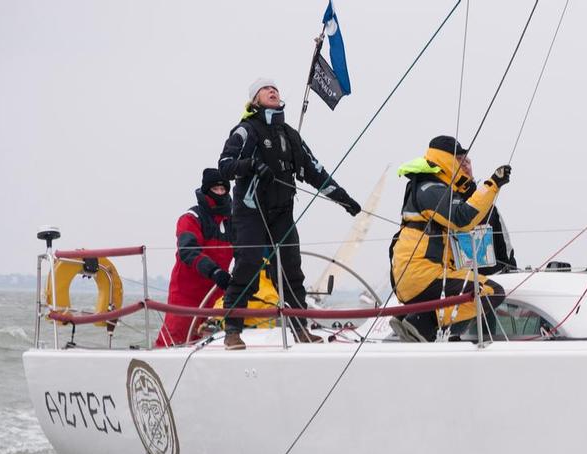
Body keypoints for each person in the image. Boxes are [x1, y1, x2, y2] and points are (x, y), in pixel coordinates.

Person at [218, 78, 361, 350]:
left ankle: (300, 328)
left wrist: (343, 199)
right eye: (265, 89)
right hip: (250, 213)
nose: (272, 90)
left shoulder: (290, 135)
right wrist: (251, 165)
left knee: (291, 270)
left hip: (282, 213)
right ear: (254, 100)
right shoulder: (245, 131)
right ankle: (233, 330)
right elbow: (225, 166)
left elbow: (314, 170)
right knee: (247, 265)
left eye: (275, 88)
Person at [389, 135, 510, 342]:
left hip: (412, 277)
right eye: (461, 160)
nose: (464, 165)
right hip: (424, 275)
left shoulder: (430, 187)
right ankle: (423, 322)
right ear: (447, 159)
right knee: (492, 292)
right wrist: (493, 184)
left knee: (478, 289)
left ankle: (412, 318)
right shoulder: (431, 189)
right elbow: (463, 218)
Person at [155, 169, 235, 347]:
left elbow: (245, 252)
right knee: (173, 341)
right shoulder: (191, 218)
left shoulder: (233, 222)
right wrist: (214, 271)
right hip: (186, 295)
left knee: (214, 344)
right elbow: (188, 251)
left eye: (224, 190)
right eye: (216, 189)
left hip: (217, 296)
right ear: (207, 190)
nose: (220, 193)